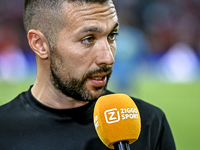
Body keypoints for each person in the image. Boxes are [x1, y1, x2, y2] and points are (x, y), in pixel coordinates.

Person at [0, 0, 176, 149]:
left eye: (112, 35)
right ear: (40, 44)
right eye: (88, 39)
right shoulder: (4, 130)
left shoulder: (148, 123)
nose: (108, 58)